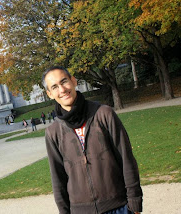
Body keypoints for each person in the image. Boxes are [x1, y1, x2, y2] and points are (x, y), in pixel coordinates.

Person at [42, 66, 142, 214]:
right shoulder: (53, 132)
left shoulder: (104, 114)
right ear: (49, 94)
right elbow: (58, 178)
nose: (62, 89)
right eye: (55, 87)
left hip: (118, 207)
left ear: (74, 81)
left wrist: (134, 203)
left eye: (64, 82)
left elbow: (127, 159)